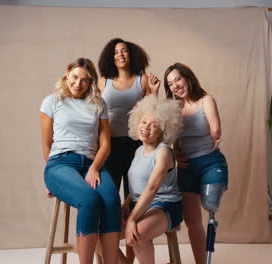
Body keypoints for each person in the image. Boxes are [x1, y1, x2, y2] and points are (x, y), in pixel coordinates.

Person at [40, 58, 121, 264]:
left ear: (90, 83)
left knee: (112, 201)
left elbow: (105, 145)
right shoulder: (52, 101)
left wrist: (94, 168)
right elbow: (47, 144)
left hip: (92, 164)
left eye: (85, 80)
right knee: (89, 200)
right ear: (67, 74)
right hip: (61, 164)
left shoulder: (98, 104)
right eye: (75, 77)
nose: (78, 83)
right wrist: (56, 182)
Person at [164, 63, 229, 264]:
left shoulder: (206, 100)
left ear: (187, 78)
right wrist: (176, 150)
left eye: (178, 79)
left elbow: (216, 130)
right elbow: (172, 138)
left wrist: (216, 134)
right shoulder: (174, 108)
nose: (175, 85)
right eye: (170, 83)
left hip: (211, 163)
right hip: (186, 168)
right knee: (192, 221)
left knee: (210, 205)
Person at [120, 94, 184, 264]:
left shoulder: (163, 152)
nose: (146, 127)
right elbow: (137, 186)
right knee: (98, 234)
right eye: (143, 122)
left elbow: (151, 188)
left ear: (164, 130)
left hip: (164, 205)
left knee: (137, 235)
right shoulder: (137, 151)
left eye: (154, 125)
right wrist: (126, 204)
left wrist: (132, 219)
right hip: (139, 205)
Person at [98, 38, 160, 198]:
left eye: (124, 50)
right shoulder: (103, 82)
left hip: (137, 143)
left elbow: (152, 113)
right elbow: (95, 114)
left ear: (131, 54)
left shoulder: (143, 79)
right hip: (109, 144)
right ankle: (111, 224)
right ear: (110, 57)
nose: (120, 54)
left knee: (134, 194)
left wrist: (155, 92)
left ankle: (131, 223)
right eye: (115, 52)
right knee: (109, 195)